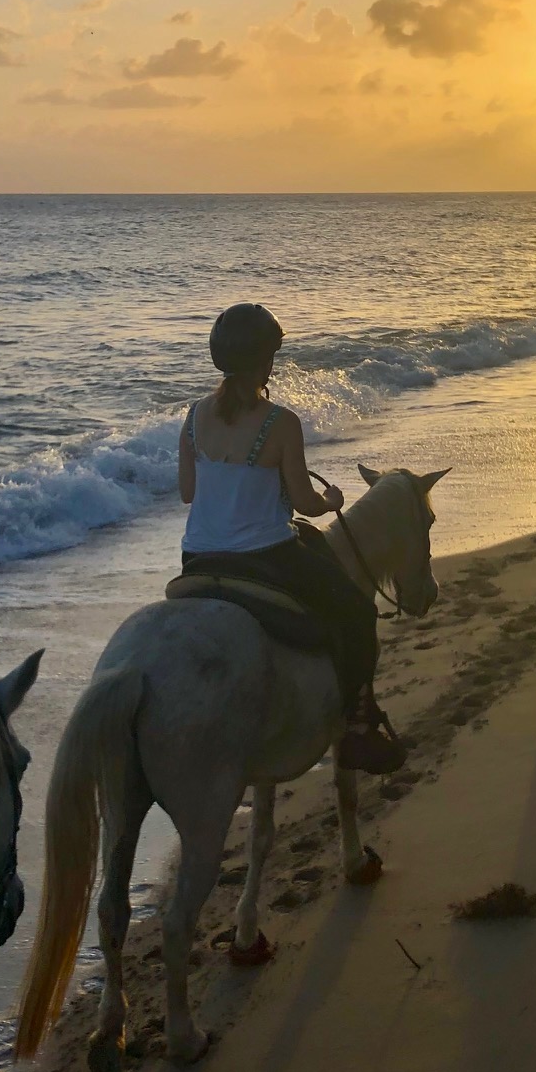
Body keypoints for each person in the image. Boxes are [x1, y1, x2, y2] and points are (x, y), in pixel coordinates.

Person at [178, 303, 404, 774]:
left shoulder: (193, 416)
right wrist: (332, 499)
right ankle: (359, 727)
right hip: (265, 556)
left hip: (197, 558)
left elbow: (188, 492)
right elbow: (304, 502)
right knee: (359, 613)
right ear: (266, 362)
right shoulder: (280, 422)